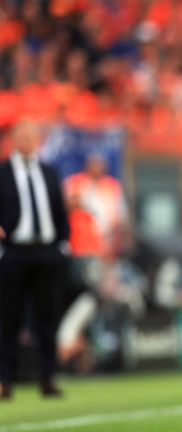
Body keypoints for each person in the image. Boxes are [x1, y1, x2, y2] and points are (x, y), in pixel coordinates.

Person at [0, 120, 70, 399]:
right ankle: (5, 379)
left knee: (47, 319)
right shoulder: (3, 172)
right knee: (9, 319)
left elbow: (59, 209)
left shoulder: (49, 171)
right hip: (14, 251)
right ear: (13, 140)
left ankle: (48, 378)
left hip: (47, 252)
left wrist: (63, 243)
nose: (27, 141)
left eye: (32, 136)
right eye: (22, 136)